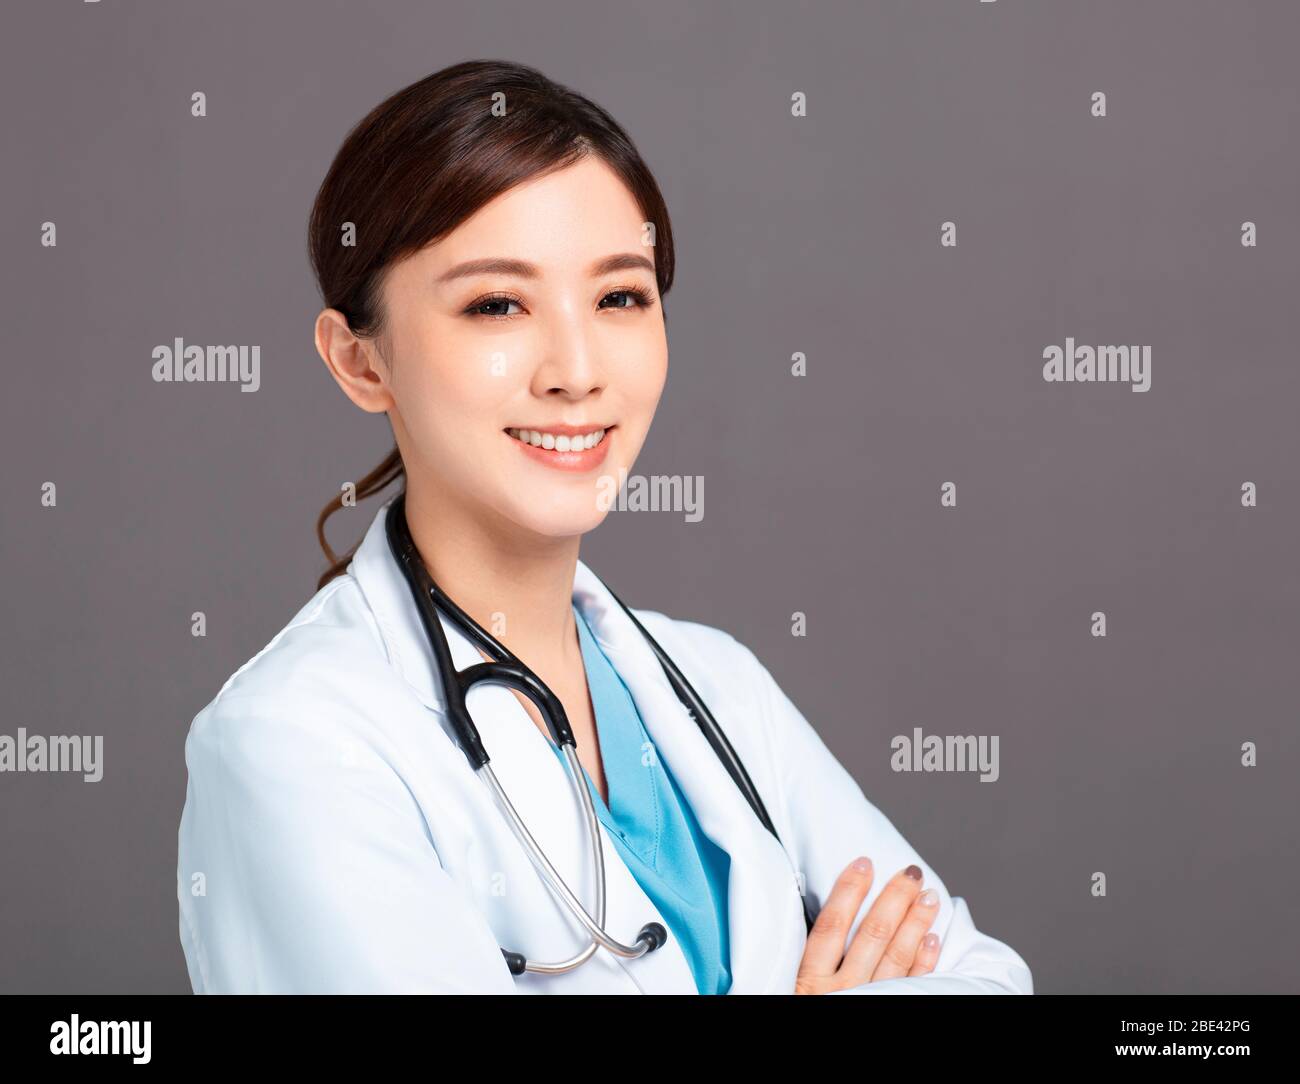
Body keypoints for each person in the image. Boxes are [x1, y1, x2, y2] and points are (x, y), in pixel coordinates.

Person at [176, 59, 1033, 995]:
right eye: (496, 304)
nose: (577, 370)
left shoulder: (719, 687)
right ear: (360, 361)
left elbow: (986, 980)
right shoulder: (294, 742)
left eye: (620, 296)